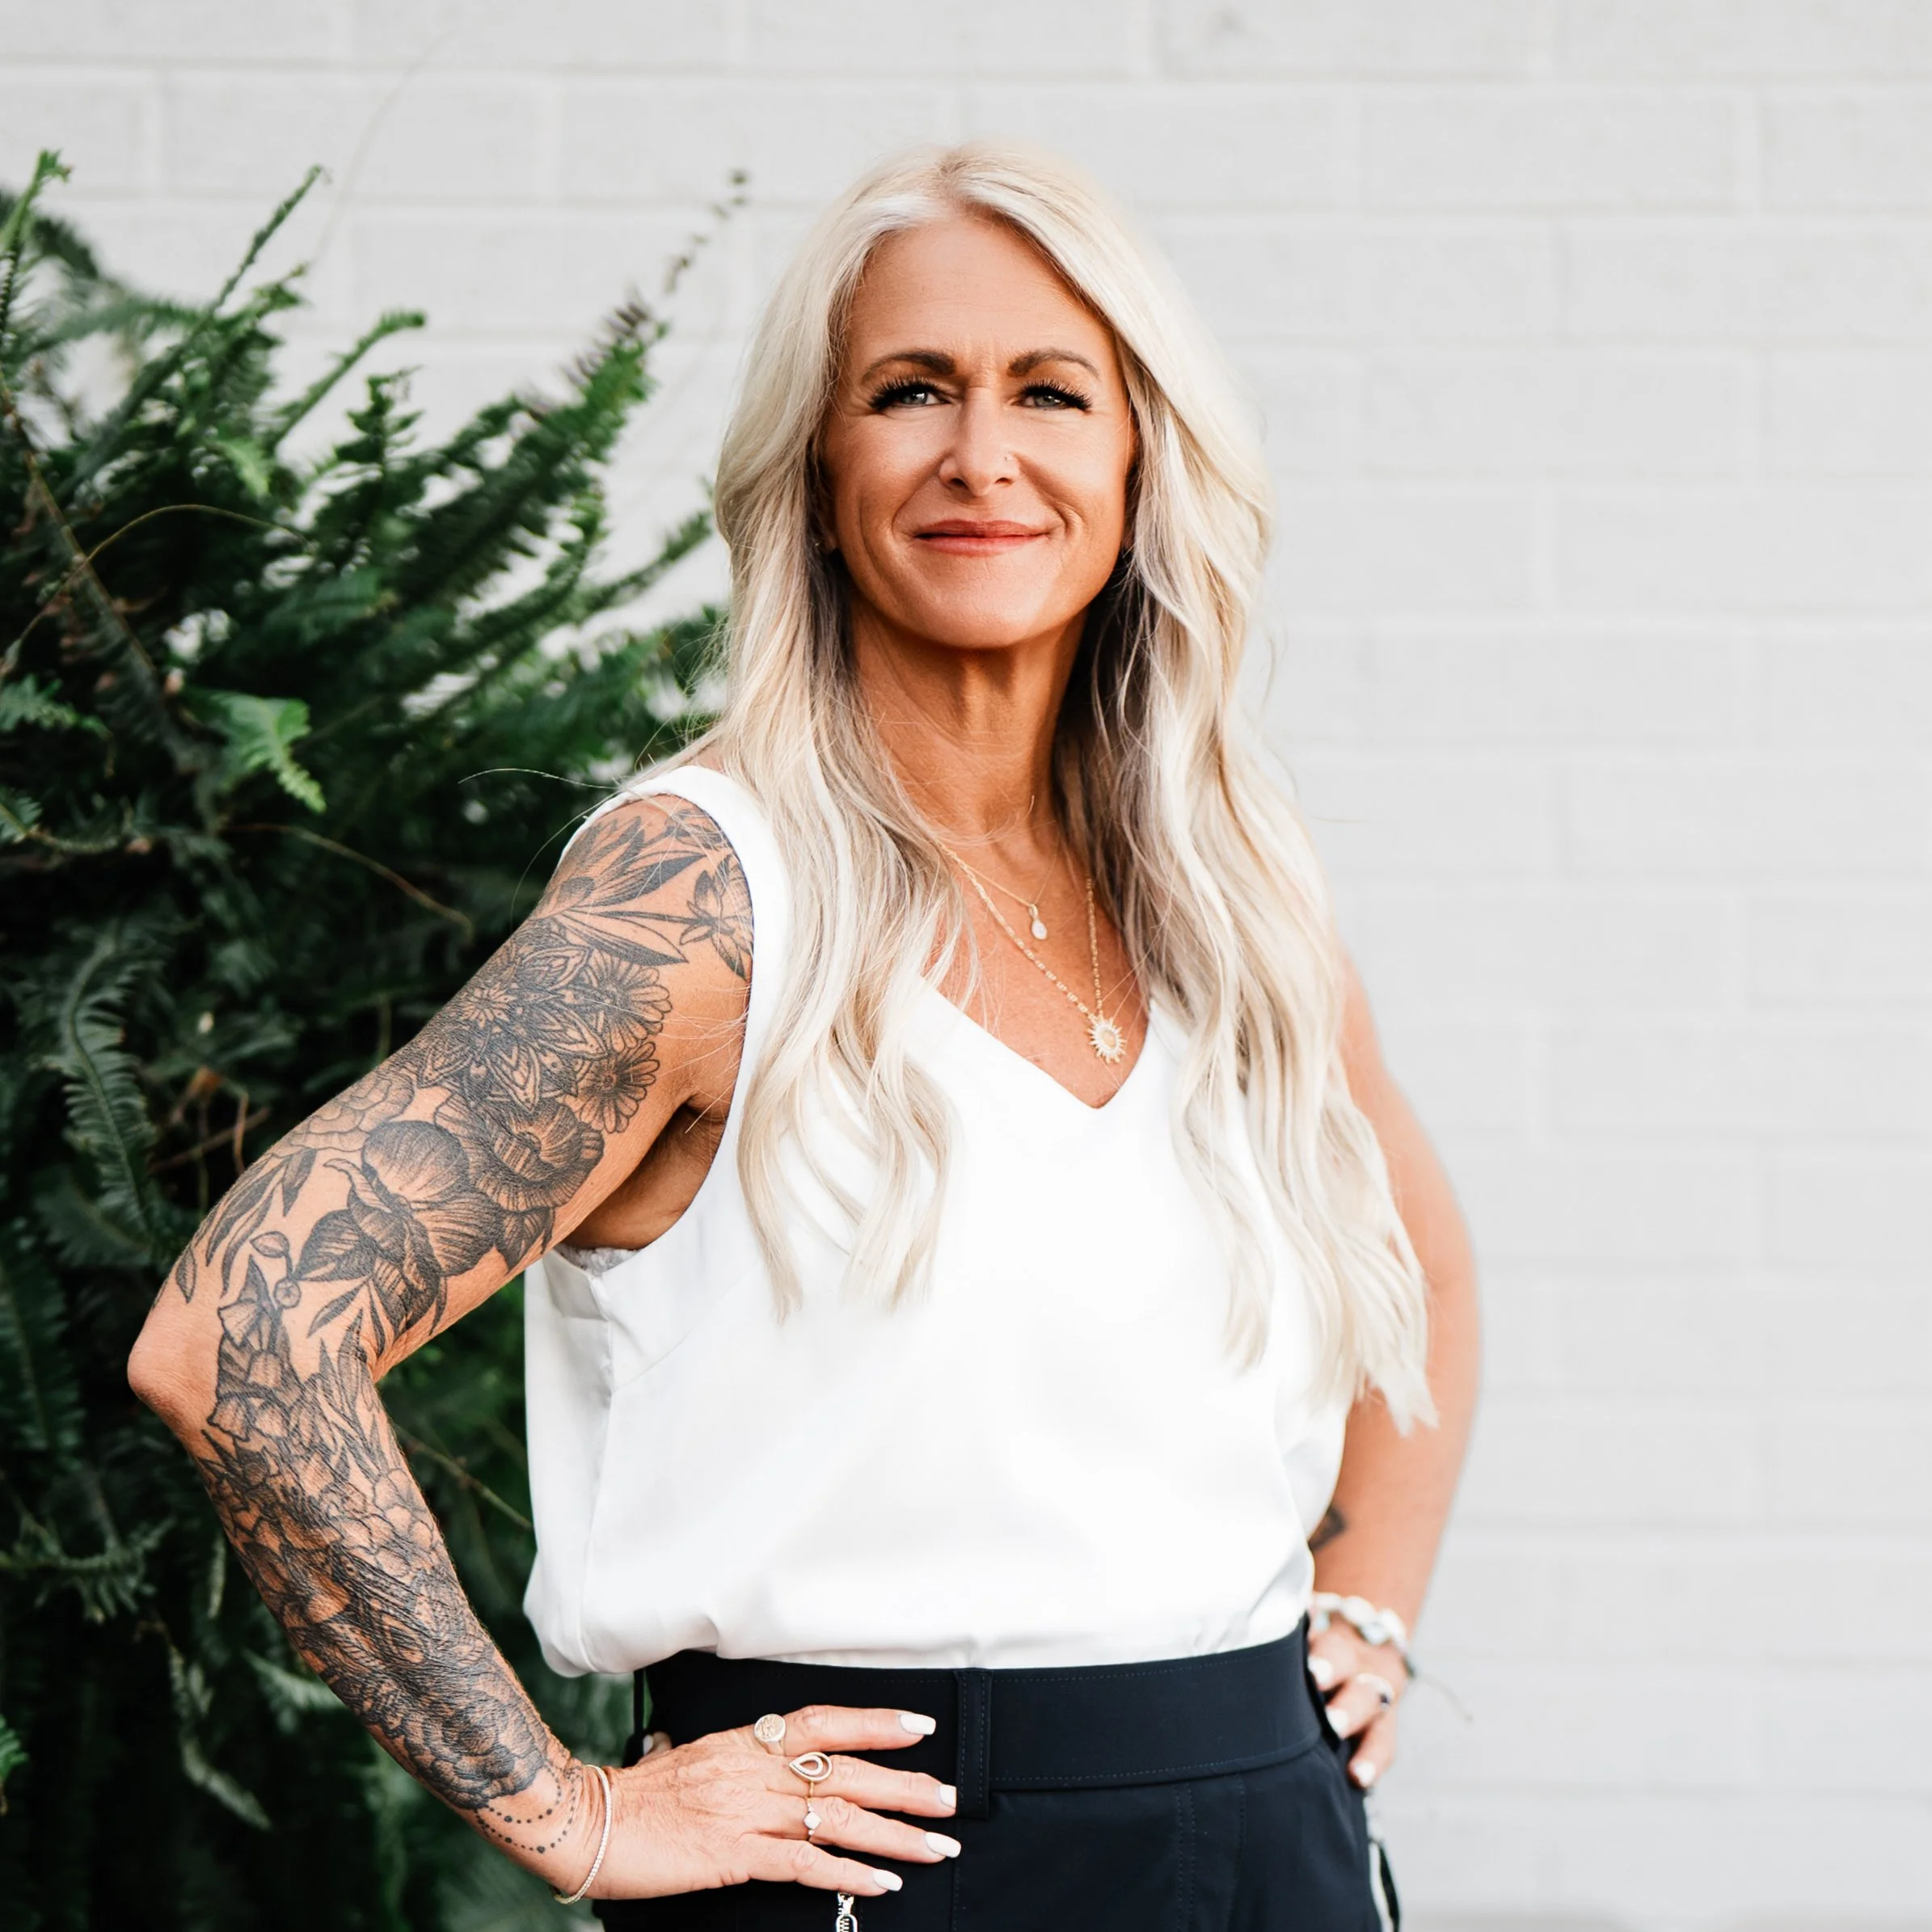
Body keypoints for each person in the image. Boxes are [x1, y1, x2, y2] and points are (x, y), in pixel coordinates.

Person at [130, 140, 1479, 1930]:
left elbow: (1417, 1266)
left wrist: (1367, 1600)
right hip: (872, 1864)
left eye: (1050, 392)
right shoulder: (705, 893)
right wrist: (564, 1810)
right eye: (910, 390)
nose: (981, 453)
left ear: (1140, 460)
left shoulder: (1227, 880)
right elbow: (240, 1336)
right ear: (818, 475)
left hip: (1266, 1832)